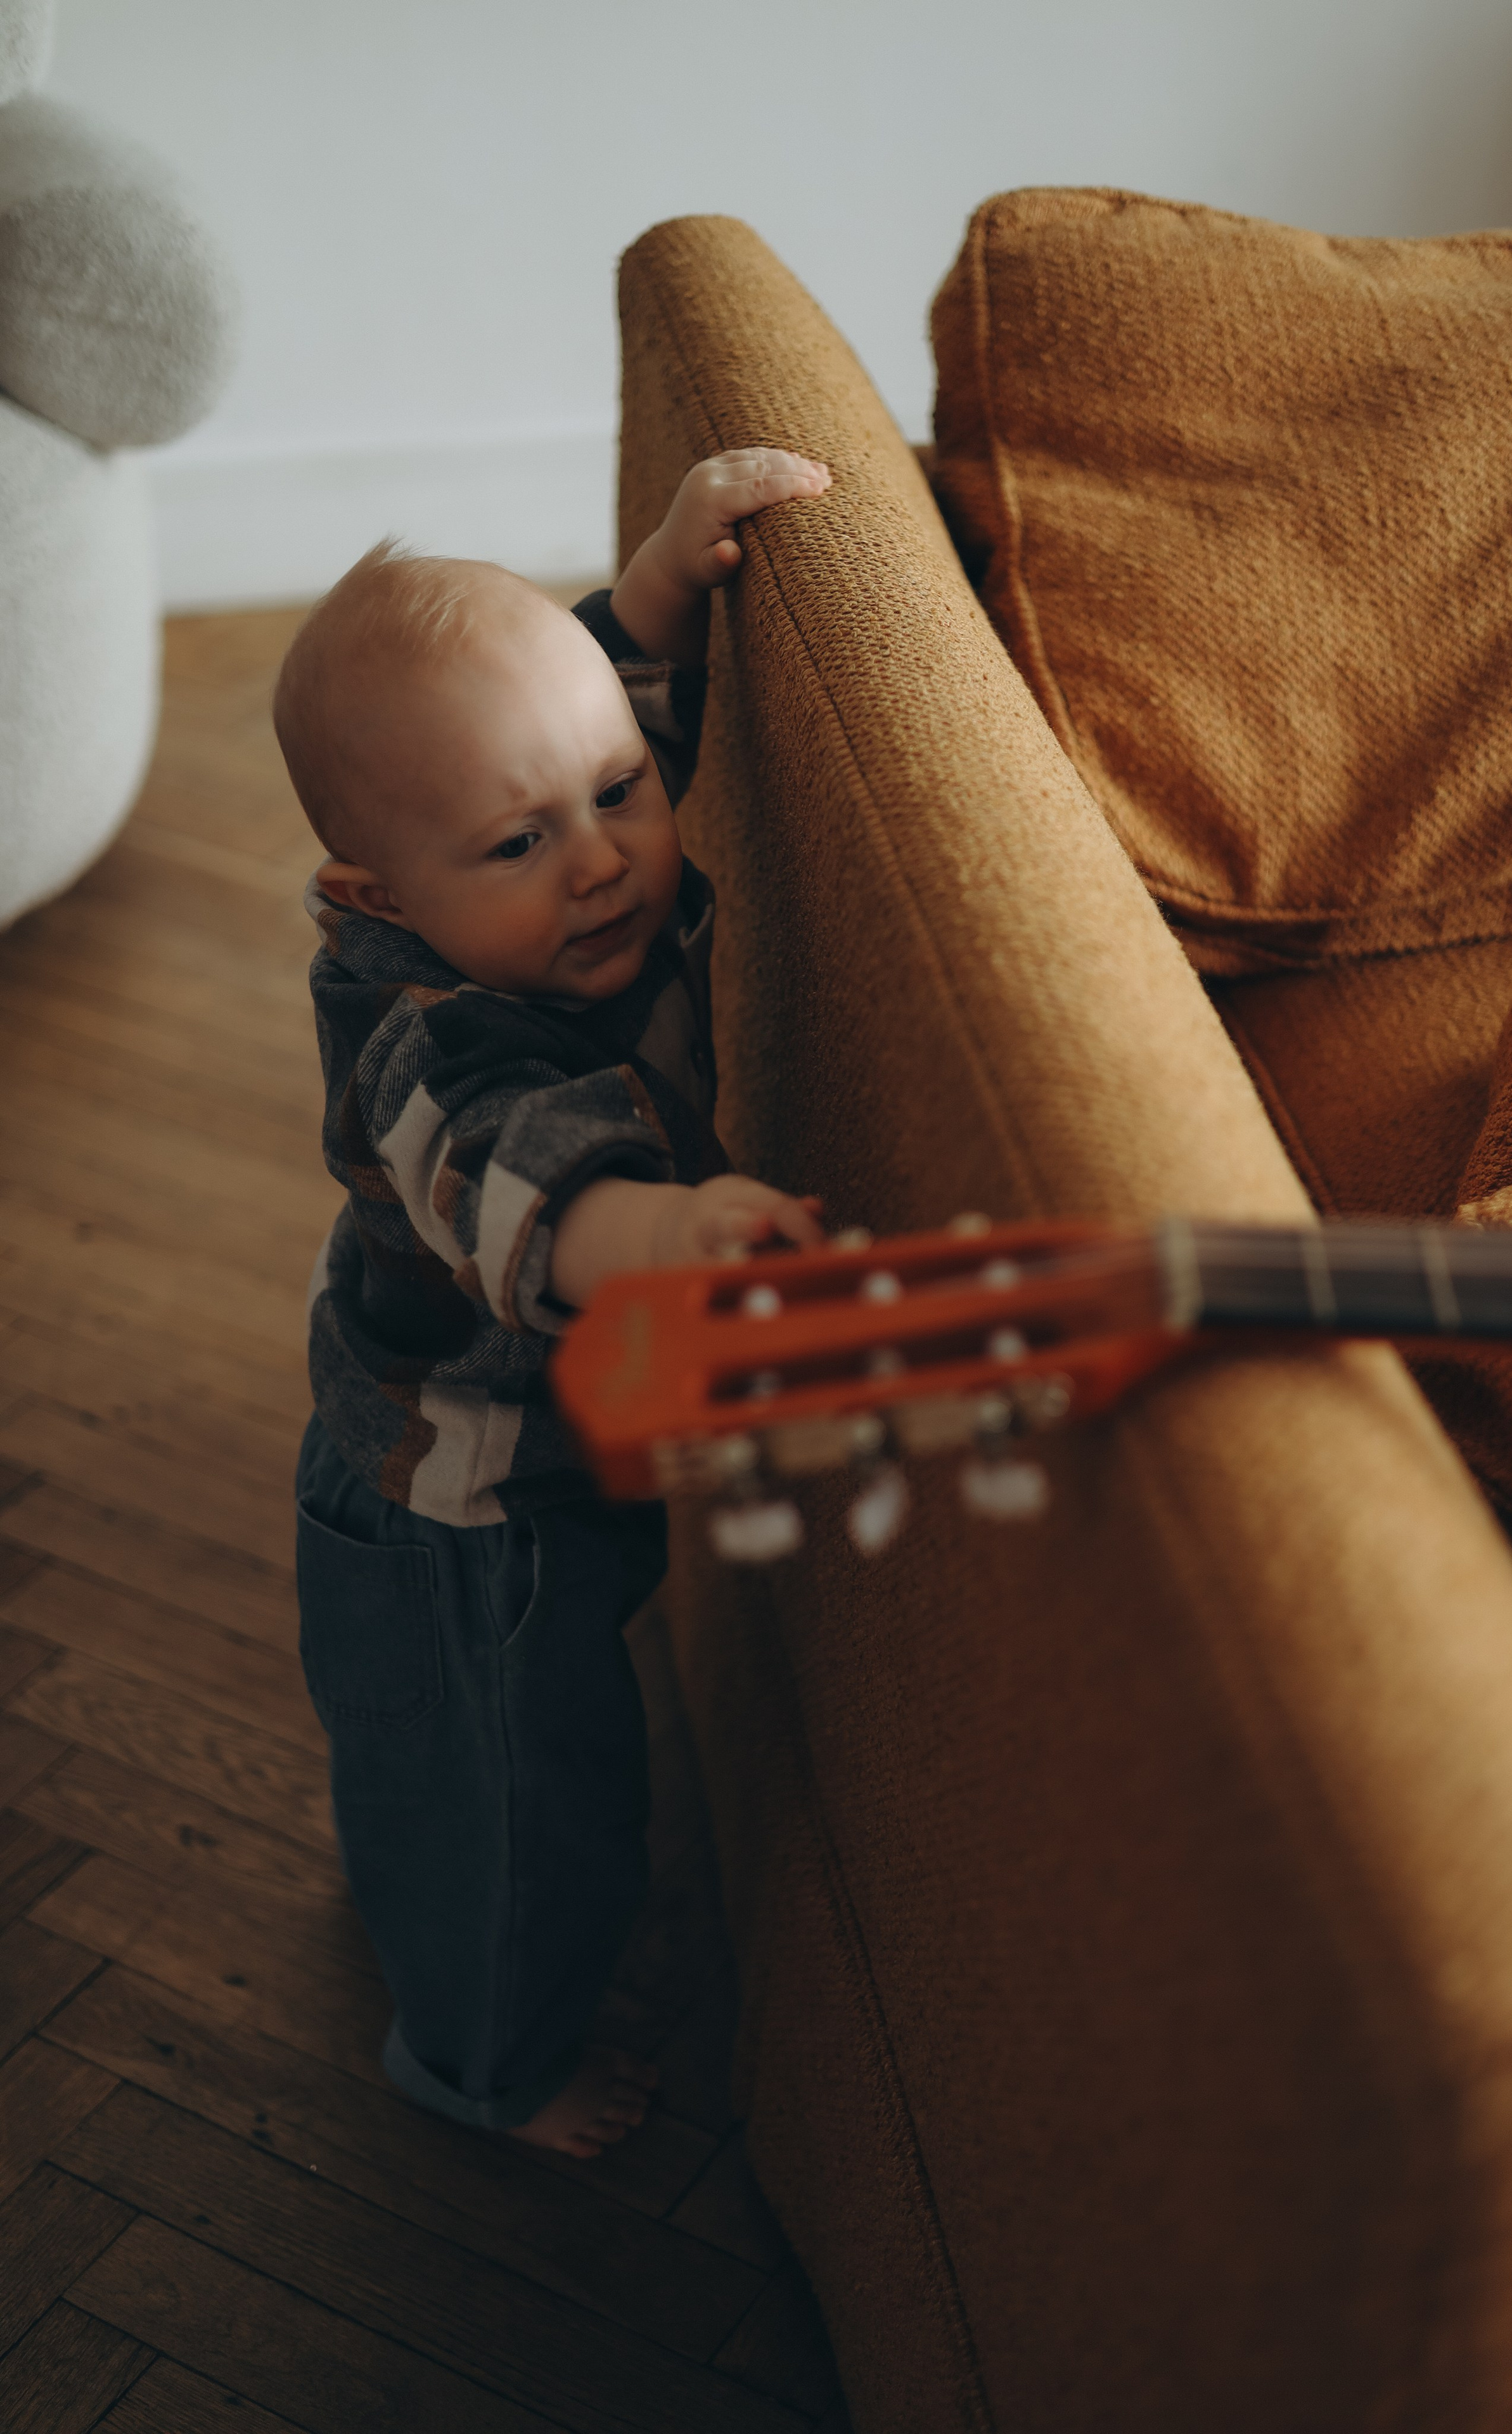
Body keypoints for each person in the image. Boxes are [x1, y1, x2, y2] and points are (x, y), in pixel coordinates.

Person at [273, 449, 831, 2156]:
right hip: (460, 1512)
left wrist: (665, 574)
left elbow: (604, 699)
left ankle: (410, 1842)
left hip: (518, 1452)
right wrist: (665, 1233)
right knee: (516, 1805)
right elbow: (521, 1188)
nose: (601, 863)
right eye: (523, 842)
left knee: (440, 1771)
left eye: (618, 795)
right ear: (378, 899)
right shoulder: (421, 1044)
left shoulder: (559, 841)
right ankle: (482, 2066)